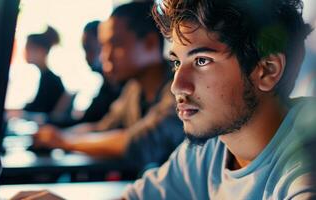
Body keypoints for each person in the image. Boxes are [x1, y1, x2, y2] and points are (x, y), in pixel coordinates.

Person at [122, 0, 316, 199]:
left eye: (201, 61)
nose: (176, 86)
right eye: (176, 63)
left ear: (267, 70)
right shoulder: (211, 148)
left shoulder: (304, 169)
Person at [33, 2, 184, 170]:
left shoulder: (180, 87)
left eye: (116, 44)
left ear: (150, 43)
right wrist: (57, 135)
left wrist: (64, 141)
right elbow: (103, 128)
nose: (106, 56)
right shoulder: (134, 89)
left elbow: (140, 143)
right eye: (104, 46)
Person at [58, 20, 124, 127]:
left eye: (89, 49)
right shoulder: (108, 86)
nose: (107, 56)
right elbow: (97, 125)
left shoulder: (124, 87)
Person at [23, 26, 65, 114]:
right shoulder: (46, 76)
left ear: (41, 51)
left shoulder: (50, 80)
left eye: (28, 48)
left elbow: (41, 111)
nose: (25, 52)